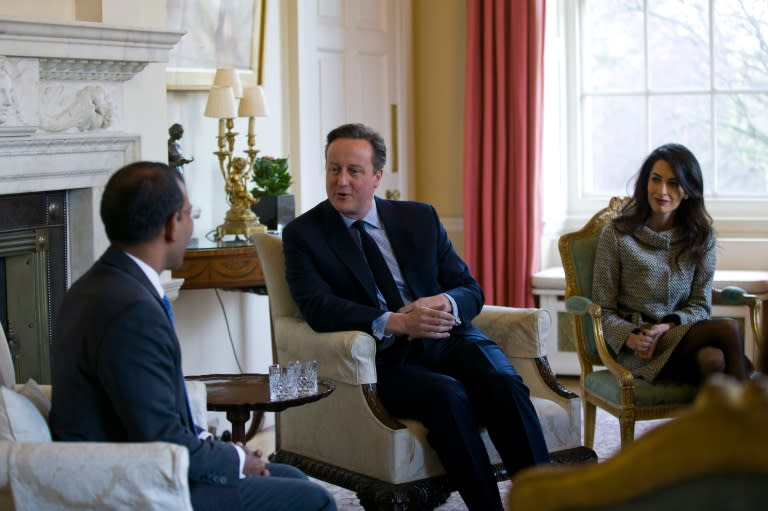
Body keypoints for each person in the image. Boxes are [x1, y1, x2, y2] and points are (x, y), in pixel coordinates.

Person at [282, 123, 550, 511]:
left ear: (376, 176)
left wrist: (445, 301)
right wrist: (395, 321)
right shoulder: (304, 234)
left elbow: (471, 289)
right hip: (385, 356)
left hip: (449, 336)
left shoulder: (419, 218)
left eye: (354, 171)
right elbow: (317, 307)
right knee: (448, 396)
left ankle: (545, 502)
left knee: (503, 383)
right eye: (333, 169)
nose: (341, 181)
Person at [49, 161, 336, 511]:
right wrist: (233, 460)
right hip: (139, 484)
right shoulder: (130, 310)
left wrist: (227, 452)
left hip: (137, 460)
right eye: (189, 213)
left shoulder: (103, 284)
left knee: (291, 477)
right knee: (315, 500)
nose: (191, 224)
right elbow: (160, 439)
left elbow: (155, 412)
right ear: (173, 224)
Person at [592, 143, 748, 384]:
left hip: (679, 337)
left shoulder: (702, 237)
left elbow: (700, 305)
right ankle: (751, 414)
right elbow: (603, 310)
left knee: (714, 360)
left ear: (688, 190)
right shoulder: (616, 235)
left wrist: (667, 326)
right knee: (728, 328)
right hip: (639, 346)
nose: (662, 190)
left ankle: (719, 421)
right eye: (655, 179)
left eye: (674, 183)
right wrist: (632, 338)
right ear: (645, 183)